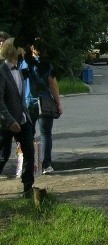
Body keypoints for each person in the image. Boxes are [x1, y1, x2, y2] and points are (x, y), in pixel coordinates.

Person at [21, 39, 63, 174]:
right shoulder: (47, 65)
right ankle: (46, 165)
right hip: (44, 101)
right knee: (46, 134)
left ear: (32, 48)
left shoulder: (24, 63)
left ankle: (29, 165)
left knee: (28, 135)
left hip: (28, 103)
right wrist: (58, 103)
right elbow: (53, 84)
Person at [0, 38, 35, 197]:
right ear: (14, 51)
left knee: (29, 152)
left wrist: (25, 117)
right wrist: (10, 120)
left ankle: (28, 186)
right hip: (6, 123)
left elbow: (21, 97)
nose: (22, 51)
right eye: (20, 48)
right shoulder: (2, 72)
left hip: (22, 119)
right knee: (3, 155)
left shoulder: (19, 70)